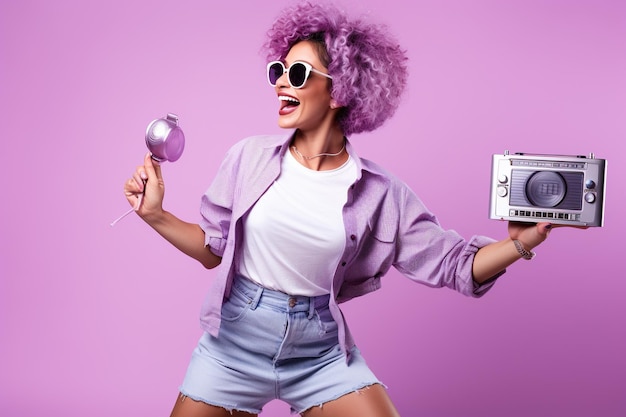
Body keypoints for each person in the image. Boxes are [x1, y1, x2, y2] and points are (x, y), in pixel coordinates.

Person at [123, 2, 554, 416]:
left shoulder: (380, 193)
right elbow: (212, 249)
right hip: (234, 344)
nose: (279, 83)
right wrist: (156, 215)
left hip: (320, 352)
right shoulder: (247, 157)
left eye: (296, 73)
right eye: (278, 70)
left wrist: (520, 243)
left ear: (339, 90)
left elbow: (456, 265)